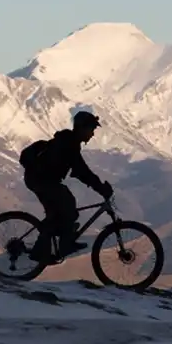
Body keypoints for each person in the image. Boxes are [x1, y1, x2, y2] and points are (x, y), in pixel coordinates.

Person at [19, 110, 114, 262]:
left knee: (61, 211)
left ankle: (49, 246)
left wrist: (98, 186)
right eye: (91, 129)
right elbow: (82, 171)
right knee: (67, 204)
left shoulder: (70, 142)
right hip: (40, 180)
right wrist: (100, 188)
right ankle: (55, 247)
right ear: (82, 128)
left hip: (41, 180)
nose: (93, 134)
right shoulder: (69, 144)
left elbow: (81, 171)